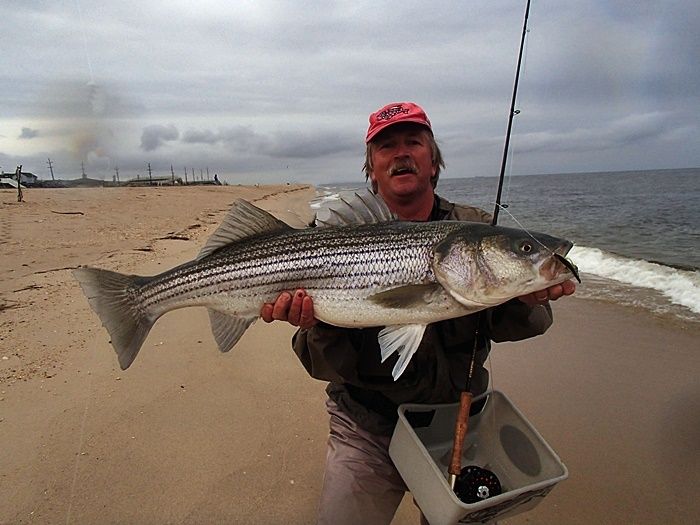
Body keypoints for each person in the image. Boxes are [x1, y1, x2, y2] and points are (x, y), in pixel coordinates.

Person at [260, 102, 576, 525]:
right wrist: (314, 323)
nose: (401, 153)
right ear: (371, 166)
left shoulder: (474, 226)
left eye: (414, 141)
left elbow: (524, 324)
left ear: (433, 160)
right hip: (364, 426)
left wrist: (529, 298)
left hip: (459, 426)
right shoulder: (334, 235)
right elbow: (317, 361)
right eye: (386, 146)